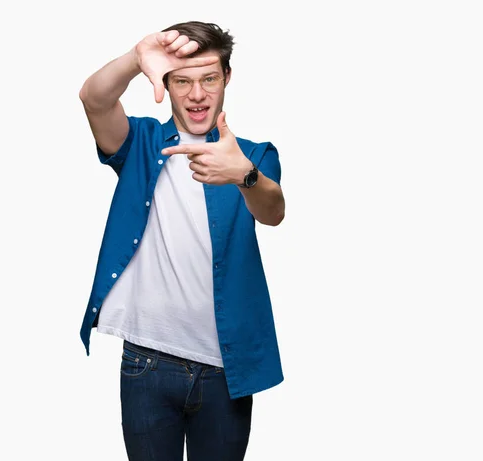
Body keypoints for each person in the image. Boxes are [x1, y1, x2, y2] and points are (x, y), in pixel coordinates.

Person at [78, 21, 285, 461]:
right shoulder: (141, 143)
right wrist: (137, 59)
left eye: (209, 78)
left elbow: (274, 212)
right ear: (166, 84)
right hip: (146, 364)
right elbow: (94, 99)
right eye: (183, 81)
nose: (197, 94)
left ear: (227, 78)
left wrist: (243, 175)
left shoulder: (252, 154)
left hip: (224, 372)